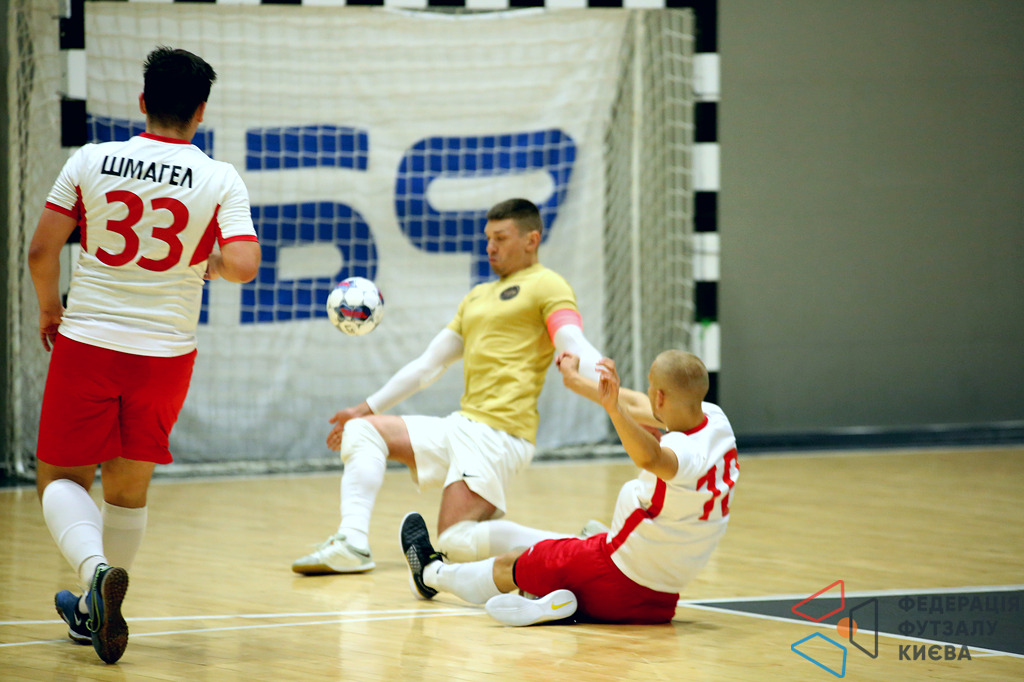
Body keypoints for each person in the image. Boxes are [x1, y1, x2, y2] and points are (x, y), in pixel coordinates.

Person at [28, 46, 261, 663]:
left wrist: (50, 308)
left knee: (61, 479)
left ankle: (96, 574)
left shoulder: (91, 159)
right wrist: (206, 262)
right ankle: (95, 613)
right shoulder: (220, 177)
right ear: (201, 111)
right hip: (165, 354)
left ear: (142, 102)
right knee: (127, 490)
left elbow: (41, 252)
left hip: (89, 341)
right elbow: (243, 264)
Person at [292, 198, 605, 575]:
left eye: (501, 238)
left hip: (499, 434)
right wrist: (362, 409)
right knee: (363, 430)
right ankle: (352, 544)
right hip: (463, 426)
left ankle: (583, 546)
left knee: (455, 541)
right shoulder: (477, 297)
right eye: (488, 238)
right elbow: (428, 365)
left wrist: (609, 386)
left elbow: (571, 340)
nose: (490, 247)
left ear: (531, 240)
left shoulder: (547, 284)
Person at [399, 350, 739, 626]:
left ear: (660, 397)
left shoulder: (682, 454)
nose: (647, 395)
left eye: (650, 388)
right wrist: (577, 381)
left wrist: (614, 411)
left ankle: (430, 575)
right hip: (661, 601)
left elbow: (650, 456)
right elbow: (637, 406)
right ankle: (558, 599)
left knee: (512, 562)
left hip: (616, 573)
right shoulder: (715, 420)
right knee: (574, 545)